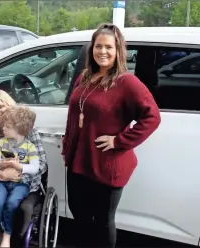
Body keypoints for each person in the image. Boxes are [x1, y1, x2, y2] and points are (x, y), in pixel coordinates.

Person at [62, 23, 161, 248]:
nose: (102, 51)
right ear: (91, 49)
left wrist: (119, 141)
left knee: (103, 223)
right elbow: (75, 114)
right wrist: (68, 144)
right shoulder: (86, 76)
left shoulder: (127, 82)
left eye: (109, 47)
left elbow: (152, 117)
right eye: (98, 46)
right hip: (79, 162)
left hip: (106, 166)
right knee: (80, 216)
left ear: (118, 51)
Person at [0, 89, 48, 248]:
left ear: (9, 105)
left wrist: (19, 171)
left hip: (27, 184)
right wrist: (0, 174)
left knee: (23, 208)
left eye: (1, 106)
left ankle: (11, 243)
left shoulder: (27, 130)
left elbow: (42, 164)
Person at [0, 105, 40, 248]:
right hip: (2, 181)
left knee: (11, 204)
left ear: (19, 129)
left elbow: (35, 168)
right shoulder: (2, 143)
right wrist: (1, 164)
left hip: (21, 183)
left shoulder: (30, 148)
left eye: (7, 126)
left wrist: (20, 167)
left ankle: (7, 236)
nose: (3, 128)